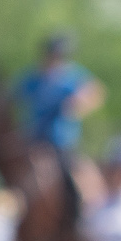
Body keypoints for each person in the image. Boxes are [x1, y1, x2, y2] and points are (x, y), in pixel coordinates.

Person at [12, 33, 105, 200]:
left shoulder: (72, 76)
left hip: (61, 141)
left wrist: (78, 104)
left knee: (75, 178)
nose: (55, 59)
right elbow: (12, 96)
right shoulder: (33, 77)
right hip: (33, 139)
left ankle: (77, 211)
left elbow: (95, 92)